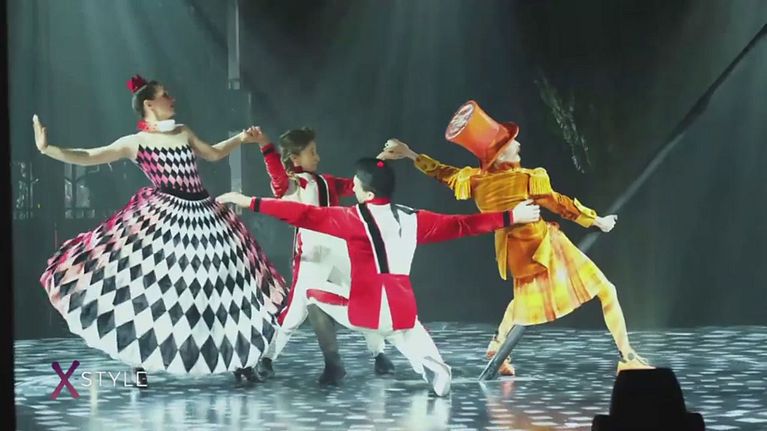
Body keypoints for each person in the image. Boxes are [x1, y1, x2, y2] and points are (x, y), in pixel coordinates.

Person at [35, 75, 288, 386]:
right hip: (166, 217)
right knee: (151, 288)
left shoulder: (183, 131)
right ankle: (138, 361)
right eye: (165, 95)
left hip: (204, 214)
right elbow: (90, 156)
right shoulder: (136, 142)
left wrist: (241, 138)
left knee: (221, 283)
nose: (172, 99)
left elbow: (212, 153)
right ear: (149, 104)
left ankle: (239, 359)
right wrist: (48, 149)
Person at [216, 157, 541, 395]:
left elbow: (301, 214)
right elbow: (463, 225)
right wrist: (512, 215)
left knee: (309, 290)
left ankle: (282, 351)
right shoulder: (414, 218)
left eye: (356, 185)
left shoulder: (351, 218)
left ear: (368, 194)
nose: (353, 188)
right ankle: (436, 370)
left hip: (364, 312)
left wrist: (246, 200)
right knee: (407, 334)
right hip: (402, 309)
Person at [378, 100, 652, 375]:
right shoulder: (526, 178)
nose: (518, 145)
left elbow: (442, 173)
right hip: (543, 248)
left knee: (522, 303)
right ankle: (627, 357)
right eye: (511, 143)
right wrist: (597, 220)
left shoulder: (474, 181)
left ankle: (497, 344)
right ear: (499, 156)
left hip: (515, 255)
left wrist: (410, 154)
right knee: (605, 290)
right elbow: (560, 204)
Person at [253, 126, 394, 385]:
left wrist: (380, 159)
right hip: (313, 253)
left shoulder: (326, 181)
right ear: (295, 158)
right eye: (312, 152)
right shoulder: (293, 184)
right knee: (296, 310)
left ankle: (377, 355)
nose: (317, 157)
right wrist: (265, 145)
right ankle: (269, 359)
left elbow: (359, 184)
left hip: (339, 249)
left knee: (359, 299)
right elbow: (277, 176)